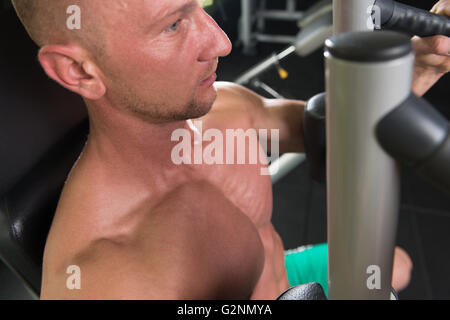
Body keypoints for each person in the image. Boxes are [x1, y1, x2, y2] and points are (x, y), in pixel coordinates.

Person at [10, 0, 449, 299]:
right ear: (79, 70)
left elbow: (338, 136)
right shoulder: (107, 278)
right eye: (173, 24)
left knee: (397, 264)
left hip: (284, 273)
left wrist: (424, 64)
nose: (221, 42)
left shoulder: (227, 106)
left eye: (196, 9)